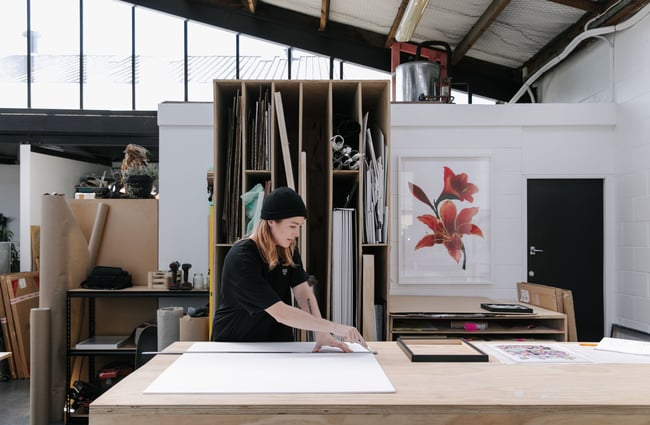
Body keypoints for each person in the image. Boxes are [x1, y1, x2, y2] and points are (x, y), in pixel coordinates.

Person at [211, 186, 368, 352]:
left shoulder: (287, 249)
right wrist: (336, 328)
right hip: (236, 345)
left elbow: (302, 292)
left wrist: (322, 333)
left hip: (277, 343)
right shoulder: (242, 258)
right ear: (271, 221)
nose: (297, 233)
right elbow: (280, 312)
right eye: (292, 226)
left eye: (299, 226)